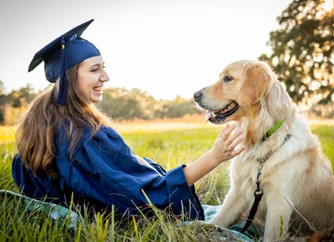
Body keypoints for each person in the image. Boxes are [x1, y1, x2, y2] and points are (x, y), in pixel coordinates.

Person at [12, 19, 244, 221]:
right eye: (95, 70)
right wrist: (215, 157)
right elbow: (148, 196)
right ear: (70, 78)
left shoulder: (41, 128)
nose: (105, 77)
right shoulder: (87, 137)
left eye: (104, 68)